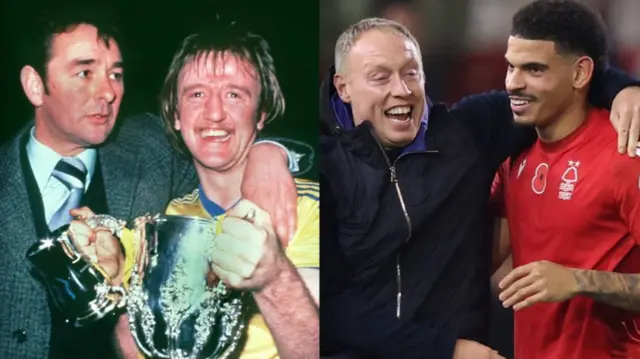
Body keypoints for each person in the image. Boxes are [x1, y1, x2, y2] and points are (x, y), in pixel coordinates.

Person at [319, 16, 640, 359]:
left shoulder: (467, 133)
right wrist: (448, 351)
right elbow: (330, 306)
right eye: (380, 77)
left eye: (411, 72)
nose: (402, 89)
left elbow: (556, 84)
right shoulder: (321, 168)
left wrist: (624, 89)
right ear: (343, 87)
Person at [0, 7, 303, 359]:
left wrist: (271, 153)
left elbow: (223, 134)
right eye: (85, 72)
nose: (109, 91)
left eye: (115, 74)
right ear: (35, 85)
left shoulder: (151, 149)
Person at [70, 27, 319, 359]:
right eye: (196, 94)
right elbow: (131, 340)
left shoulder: (312, 208)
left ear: (261, 114)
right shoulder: (164, 221)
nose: (214, 113)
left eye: (234, 94)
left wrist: (273, 280)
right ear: (175, 115)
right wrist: (114, 280)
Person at [489, 1, 640, 358]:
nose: (513, 83)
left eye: (534, 69)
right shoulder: (513, 157)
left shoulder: (624, 154)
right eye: (510, 67)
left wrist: (579, 280)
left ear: (580, 73)